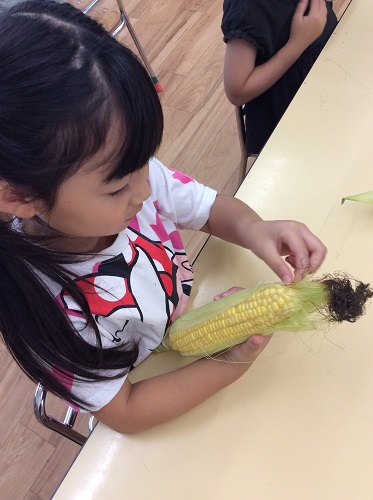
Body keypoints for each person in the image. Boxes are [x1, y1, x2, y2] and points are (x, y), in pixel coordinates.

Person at [0, 0, 327, 434]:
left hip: (182, 315)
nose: (145, 191)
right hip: (145, 381)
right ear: (20, 196)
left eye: (146, 162)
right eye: (118, 188)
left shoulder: (133, 178)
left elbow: (209, 209)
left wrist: (255, 228)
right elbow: (127, 410)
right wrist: (227, 365)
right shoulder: (46, 310)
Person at [222, 0, 338, 155]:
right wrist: (297, 43)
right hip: (288, 117)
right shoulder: (248, 8)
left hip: (329, 81)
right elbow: (237, 91)